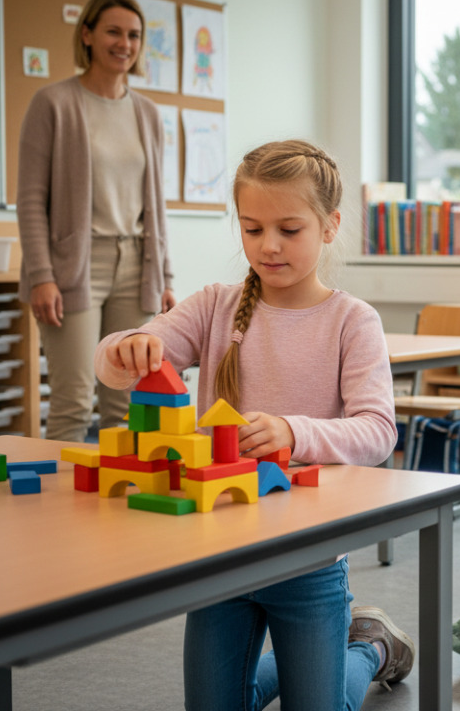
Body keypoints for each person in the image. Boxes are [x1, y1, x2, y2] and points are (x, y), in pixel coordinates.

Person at [94, 140, 408, 710]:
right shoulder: (216, 304)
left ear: (330, 225)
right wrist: (128, 347)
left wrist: (294, 431)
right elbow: (122, 361)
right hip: (221, 552)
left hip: (309, 558)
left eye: (289, 229)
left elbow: (378, 431)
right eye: (252, 228)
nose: (269, 246)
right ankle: (328, 657)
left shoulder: (351, 320)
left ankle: (367, 648)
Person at [17, 0, 176, 443]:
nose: (124, 43)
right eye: (113, 31)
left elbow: (156, 203)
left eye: (134, 35)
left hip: (137, 264)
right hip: (74, 267)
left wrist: (165, 273)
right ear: (87, 34)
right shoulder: (53, 103)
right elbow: (30, 200)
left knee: (126, 400)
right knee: (73, 396)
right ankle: (55, 510)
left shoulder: (147, 113)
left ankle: (119, 504)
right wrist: (42, 276)